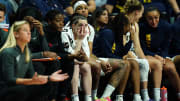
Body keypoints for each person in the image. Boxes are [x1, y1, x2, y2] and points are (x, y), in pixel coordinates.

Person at [0, 20, 69, 101]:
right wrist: (31, 81)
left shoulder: (26, 52)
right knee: (23, 90)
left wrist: (49, 78)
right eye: (25, 30)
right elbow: (10, 80)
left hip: (19, 86)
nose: (29, 33)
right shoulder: (8, 52)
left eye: (29, 31)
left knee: (46, 86)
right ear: (16, 34)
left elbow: (32, 75)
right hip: (5, 89)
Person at [116, 1, 163, 101]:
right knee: (143, 64)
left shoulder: (135, 25)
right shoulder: (122, 21)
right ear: (137, 12)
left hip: (133, 53)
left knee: (155, 63)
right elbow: (121, 44)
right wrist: (132, 56)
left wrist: (144, 60)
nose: (141, 16)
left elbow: (137, 46)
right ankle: (142, 96)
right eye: (141, 13)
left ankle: (156, 97)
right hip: (122, 53)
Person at [92, 7, 142, 101]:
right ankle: (106, 97)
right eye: (129, 25)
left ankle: (122, 97)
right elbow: (106, 53)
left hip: (108, 59)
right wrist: (122, 59)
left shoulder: (117, 34)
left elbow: (121, 52)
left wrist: (130, 40)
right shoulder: (108, 33)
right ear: (123, 25)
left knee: (130, 63)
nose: (130, 28)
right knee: (125, 63)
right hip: (98, 59)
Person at [139, 6, 180, 101]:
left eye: (156, 17)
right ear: (145, 18)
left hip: (163, 55)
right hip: (147, 55)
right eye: (150, 19)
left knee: (170, 67)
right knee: (156, 65)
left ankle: (179, 94)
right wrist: (155, 56)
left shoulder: (166, 26)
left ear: (159, 16)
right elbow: (141, 48)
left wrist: (162, 57)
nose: (154, 21)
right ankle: (155, 97)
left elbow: (167, 46)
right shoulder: (141, 28)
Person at [44, 9, 75, 101]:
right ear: (49, 22)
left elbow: (62, 51)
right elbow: (47, 52)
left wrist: (70, 56)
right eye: (58, 21)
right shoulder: (43, 33)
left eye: (62, 21)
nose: (62, 23)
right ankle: (52, 97)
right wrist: (68, 56)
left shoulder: (59, 33)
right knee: (56, 62)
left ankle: (62, 95)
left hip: (57, 58)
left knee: (70, 63)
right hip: (43, 59)